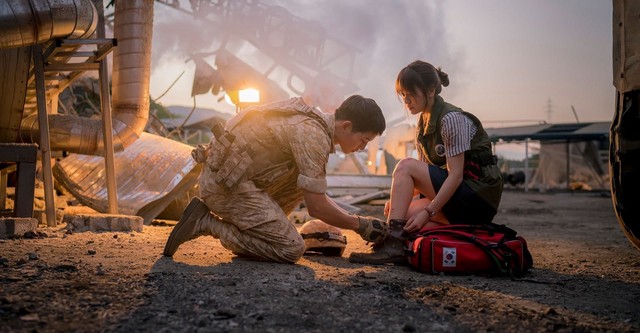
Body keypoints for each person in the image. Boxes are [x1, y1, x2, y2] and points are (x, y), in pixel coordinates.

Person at [163, 95, 389, 263]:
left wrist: (357, 220)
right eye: (364, 140)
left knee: (307, 182)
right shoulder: (313, 135)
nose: (362, 148)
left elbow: (315, 195)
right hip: (224, 187)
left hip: (236, 181)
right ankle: (205, 222)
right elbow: (317, 207)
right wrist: (360, 225)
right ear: (346, 126)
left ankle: (256, 228)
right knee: (290, 248)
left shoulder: (314, 124)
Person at [350, 60, 503, 264]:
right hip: (458, 198)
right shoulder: (423, 123)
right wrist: (398, 201)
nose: (406, 100)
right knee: (402, 217)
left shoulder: (451, 119)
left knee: (405, 165)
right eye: (402, 94)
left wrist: (428, 212)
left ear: (430, 91)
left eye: (410, 93)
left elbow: (455, 176)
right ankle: (401, 243)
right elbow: (425, 178)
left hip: (477, 197)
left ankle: (392, 244)